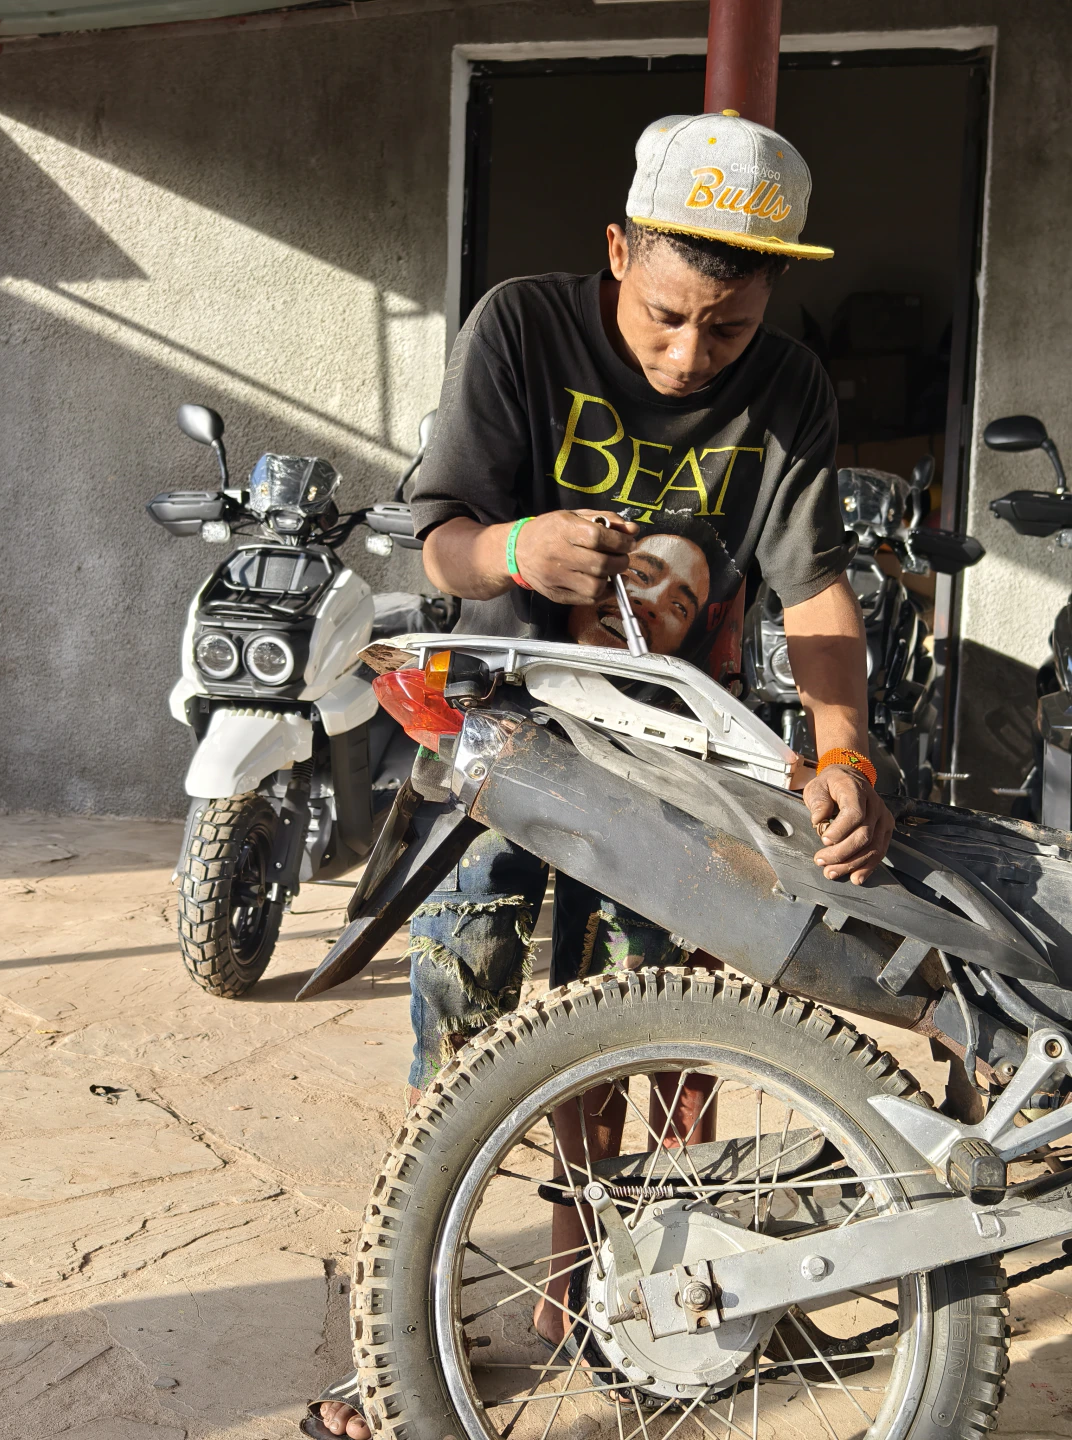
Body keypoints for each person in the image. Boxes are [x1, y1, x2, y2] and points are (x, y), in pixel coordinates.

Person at [304, 109, 894, 1440]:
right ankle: (409, 1332)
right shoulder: (522, 327)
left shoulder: (791, 389)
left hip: (673, 755)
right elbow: (439, 542)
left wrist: (842, 749)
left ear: (769, 297)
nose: (690, 354)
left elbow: (814, 591)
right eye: (666, 315)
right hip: (496, 741)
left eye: (727, 330)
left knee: (656, 1025)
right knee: (465, 1038)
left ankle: (607, 1294)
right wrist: (516, 552)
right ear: (618, 252)